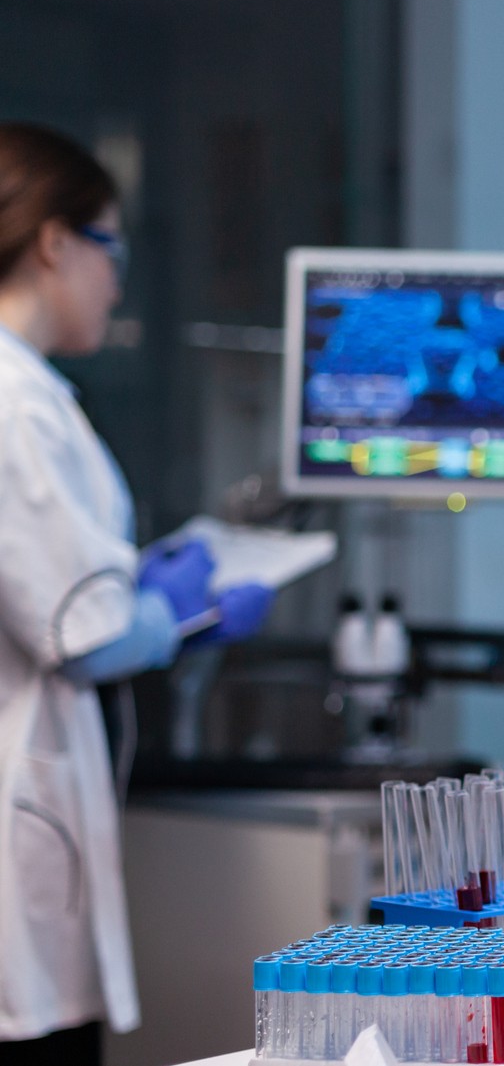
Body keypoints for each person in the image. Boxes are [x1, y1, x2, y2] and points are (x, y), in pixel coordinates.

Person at [0, 122, 276, 1063]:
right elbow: (83, 635)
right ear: (54, 243)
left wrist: (146, 598)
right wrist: (182, 611)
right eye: (109, 251)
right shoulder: (18, 403)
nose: (116, 284)